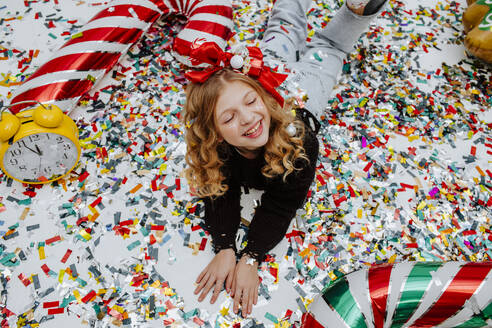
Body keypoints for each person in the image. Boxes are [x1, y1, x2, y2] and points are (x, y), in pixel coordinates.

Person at [181, 0, 387, 318]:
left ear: (261, 94)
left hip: (300, 90)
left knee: (308, 34)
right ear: (217, 133)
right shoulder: (217, 148)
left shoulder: (300, 144)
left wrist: (252, 256)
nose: (249, 119)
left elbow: (281, 204)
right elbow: (219, 190)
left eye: (250, 101)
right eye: (230, 117)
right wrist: (225, 247)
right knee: (318, 45)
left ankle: (354, 11)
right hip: (268, 85)